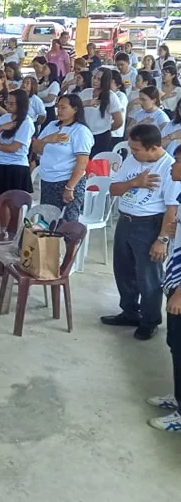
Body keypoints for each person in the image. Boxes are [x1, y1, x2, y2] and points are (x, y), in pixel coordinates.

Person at [104, 124, 181, 340]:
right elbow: (113, 189)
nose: (133, 152)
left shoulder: (170, 167)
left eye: (137, 149)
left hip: (149, 224)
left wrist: (162, 240)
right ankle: (129, 312)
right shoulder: (133, 159)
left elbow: (171, 210)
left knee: (149, 277)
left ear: (153, 147)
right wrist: (134, 182)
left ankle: (150, 320)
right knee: (123, 270)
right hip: (125, 221)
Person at [148, 145, 181, 433]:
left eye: (177, 161)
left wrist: (180, 293)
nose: (172, 166)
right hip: (175, 280)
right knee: (174, 343)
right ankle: (177, 397)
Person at [31, 94, 94, 221]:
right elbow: (36, 148)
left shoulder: (80, 131)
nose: (59, 110)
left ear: (75, 109)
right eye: (57, 107)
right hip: (48, 179)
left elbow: (82, 163)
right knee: (47, 221)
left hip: (67, 181)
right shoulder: (52, 126)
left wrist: (70, 187)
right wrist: (49, 139)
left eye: (63, 107)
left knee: (66, 223)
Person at [0, 89, 34, 196]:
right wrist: (1, 128)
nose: (8, 106)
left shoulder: (26, 122)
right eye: (7, 102)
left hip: (16, 166)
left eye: (12, 103)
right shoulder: (4, 118)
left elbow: (14, 148)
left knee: (12, 204)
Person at [81, 67, 125, 156]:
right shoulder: (86, 92)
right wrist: (85, 103)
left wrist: (105, 129)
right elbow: (74, 108)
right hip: (83, 134)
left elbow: (119, 121)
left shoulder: (111, 96)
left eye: (99, 79)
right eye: (94, 77)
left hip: (101, 137)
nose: (95, 81)